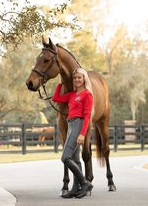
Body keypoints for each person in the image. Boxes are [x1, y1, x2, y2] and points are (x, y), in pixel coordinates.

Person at [52, 67, 94, 199]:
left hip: (78, 125)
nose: (77, 80)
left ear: (84, 79)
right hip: (70, 125)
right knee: (76, 159)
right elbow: (56, 98)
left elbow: (87, 116)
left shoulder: (87, 94)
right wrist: (60, 83)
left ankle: (84, 183)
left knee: (65, 158)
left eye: (79, 77)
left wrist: (82, 134)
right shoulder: (72, 95)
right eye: (75, 78)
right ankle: (75, 189)